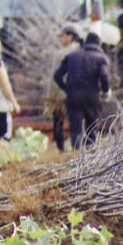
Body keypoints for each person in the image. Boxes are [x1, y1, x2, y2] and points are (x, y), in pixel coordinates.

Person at [53, 32, 111, 150]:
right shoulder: (101, 58)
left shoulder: (71, 56)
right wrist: (106, 91)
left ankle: (76, 155)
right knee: (91, 128)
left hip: (73, 96)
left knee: (76, 128)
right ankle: (90, 155)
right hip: (92, 96)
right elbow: (104, 75)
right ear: (98, 44)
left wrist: (67, 89)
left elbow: (57, 76)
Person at [44, 24, 81, 152]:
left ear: (71, 37)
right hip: (79, 94)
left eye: (62, 36)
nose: (60, 38)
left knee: (59, 123)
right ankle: (78, 149)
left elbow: (55, 78)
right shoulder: (82, 51)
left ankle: (61, 150)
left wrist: (50, 98)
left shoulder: (60, 54)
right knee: (78, 124)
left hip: (61, 95)